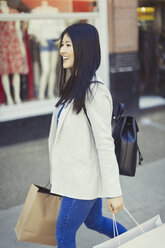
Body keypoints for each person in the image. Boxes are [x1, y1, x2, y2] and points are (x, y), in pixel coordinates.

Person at [48, 23, 127, 248]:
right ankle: (137, 242)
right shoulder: (75, 85)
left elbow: (105, 144)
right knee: (95, 221)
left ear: (84, 48)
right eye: (61, 45)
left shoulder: (95, 92)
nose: (62, 50)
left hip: (80, 181)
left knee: (63, 234)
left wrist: (114, 192)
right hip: (75, 177)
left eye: (68, 45)